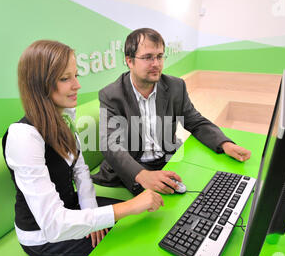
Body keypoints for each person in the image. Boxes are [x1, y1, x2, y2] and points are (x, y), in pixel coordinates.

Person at [2, 40, 164, 256]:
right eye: (65, 78)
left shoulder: (63, 118)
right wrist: (128, 206)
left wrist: (91, 211)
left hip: (74, 210)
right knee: (133, 248)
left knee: (147, 221)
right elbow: (54, 224)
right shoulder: (24, 137)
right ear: (39, 84)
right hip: (45, 236)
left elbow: (81, 171)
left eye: (76, 76)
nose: (77, 85)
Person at [92, 28, 251, 195]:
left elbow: (195, 121)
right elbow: (111, 145)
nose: (156, 64)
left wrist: (225, 144)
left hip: (167, 159)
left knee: (208, 191)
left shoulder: (176, 87)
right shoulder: (111, 95)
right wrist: (142, 175)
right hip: (134, 167)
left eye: (159, 56)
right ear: (129, 61)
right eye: (147, 57)